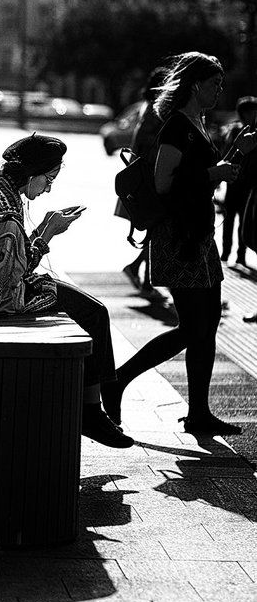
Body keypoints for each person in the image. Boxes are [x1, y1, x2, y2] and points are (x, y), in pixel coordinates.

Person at [103, 53, 257, 436]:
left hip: (199, 234)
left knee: (207, 327)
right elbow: (163, 183)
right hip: (178, 237)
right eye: (214, 84)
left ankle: (199, 412)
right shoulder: (176, 127)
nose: (220, 90)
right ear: (194, 86)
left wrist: (234, 153)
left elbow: (201, 177)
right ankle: (118, 380)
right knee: (192, 327)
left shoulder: (198, 124)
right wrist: (213, 171)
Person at [0, 133, 133, 448]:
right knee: (94, 313)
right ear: (31, 175)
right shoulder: (2, 207)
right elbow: (13, 273)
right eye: (49, 179)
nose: (50, 187)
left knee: (92, 310)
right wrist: (47, 233)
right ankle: (93, 410)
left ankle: (98, 404)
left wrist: (44, 229)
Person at [120, 67, 166, 296]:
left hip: (144, 176)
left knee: (153, 231)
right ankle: (146, 280)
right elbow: (148, 142)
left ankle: (139, 270)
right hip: (149, 177)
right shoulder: (156, 109)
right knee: (155, 230)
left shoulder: (148, 106)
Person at [220, 95, 257, 266]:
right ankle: (226, 253)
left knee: (244, 220)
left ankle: (241, 255)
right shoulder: (235, 131)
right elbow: (227, 154)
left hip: (247, 183)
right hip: (234, 181)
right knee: (229, 218)